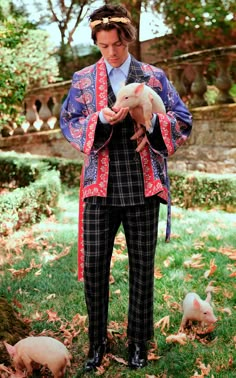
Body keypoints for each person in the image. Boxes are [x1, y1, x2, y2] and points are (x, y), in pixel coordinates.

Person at [60, 4, 192, 372]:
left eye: (117, 44)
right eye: (103, 46)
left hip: (142, 187)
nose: (112, 53)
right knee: (96, 267)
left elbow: (182, 120)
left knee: (142, 269)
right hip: (99, 189)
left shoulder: (153, 77)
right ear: (97, 44)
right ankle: (97, 342)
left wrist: (148, 122)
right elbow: (68, 123)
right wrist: (101, 118)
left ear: (128, 38)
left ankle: (138, 342)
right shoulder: (83, 79)